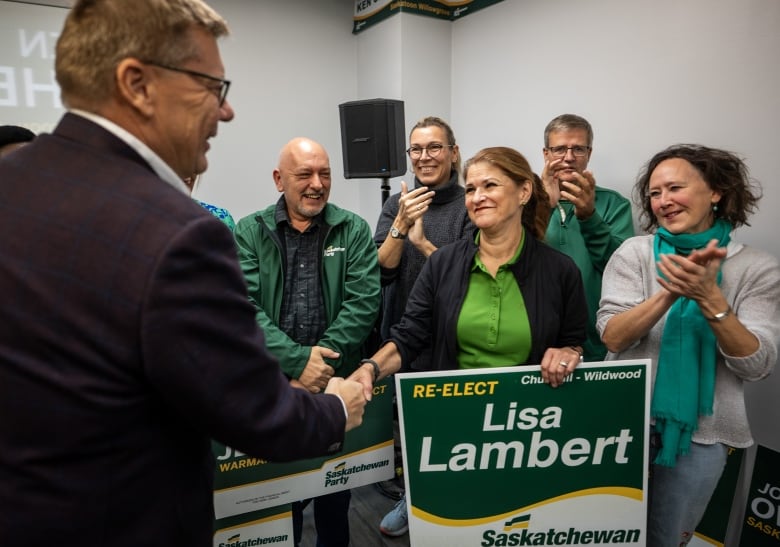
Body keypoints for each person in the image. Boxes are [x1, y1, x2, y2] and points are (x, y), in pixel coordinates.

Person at [0, 2, 367, 546]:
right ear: (137, 85)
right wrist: (337, 407)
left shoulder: (12, 184)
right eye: (211, 86)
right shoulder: (177, 233)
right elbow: (257, 413)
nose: (227, 112)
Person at [597, 144, 780, 547]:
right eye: (654, 193)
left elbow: (758, 364)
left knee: (666, 541)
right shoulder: (634, 253)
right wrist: (669, 292)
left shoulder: (758, 269)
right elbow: (612, 335)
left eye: (674, 188)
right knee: (602, 534)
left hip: (704, 437)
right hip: (621, 424)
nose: (663, 202)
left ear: (716, 192)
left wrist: (710, 298)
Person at [351, 143, 588, 453]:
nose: (477, 197)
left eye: (490, 185)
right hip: (456, 423)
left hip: (529, 429)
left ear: (524, 192)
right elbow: (409, 336)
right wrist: (370, 368)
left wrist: (569, 352)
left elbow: (573, 341)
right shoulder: (442, 264)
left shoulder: (559, 271)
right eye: (472, 189)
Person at [234, 137, 381, 547]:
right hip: (278, 387)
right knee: (281, 497)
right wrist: (298, 363)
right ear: (280, 180)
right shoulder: (250, 231)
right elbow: (242, 306)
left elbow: (364, 301)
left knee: (335, 493)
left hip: (337, 387)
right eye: (305, 175)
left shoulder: (351, 228)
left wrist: (321, 368)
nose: (317, 184)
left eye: (325, 174)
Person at [373, 116, 472, 535]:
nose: (425, 156)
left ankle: (452, 510)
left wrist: (423, 244)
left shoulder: (471, 202)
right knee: (411, 430)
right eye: (416, 149)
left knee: (453, 433)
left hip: (454, 338)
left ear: (452, 152)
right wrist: (400, 226)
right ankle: (413, 501)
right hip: (404, 333)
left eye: (435, 147)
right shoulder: (399, 203)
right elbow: (382, 269)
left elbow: (472, 276)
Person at [541, 114, 634, 361]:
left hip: (598, 343)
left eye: (578, 149)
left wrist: (589, 216)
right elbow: (514, 260)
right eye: (560, 149)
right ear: (546, 154)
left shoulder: (614, 204)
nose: (569, 157)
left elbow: (621, 269)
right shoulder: (524, 203)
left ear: (589, 154)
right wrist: (544, 207)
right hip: (537, 342)